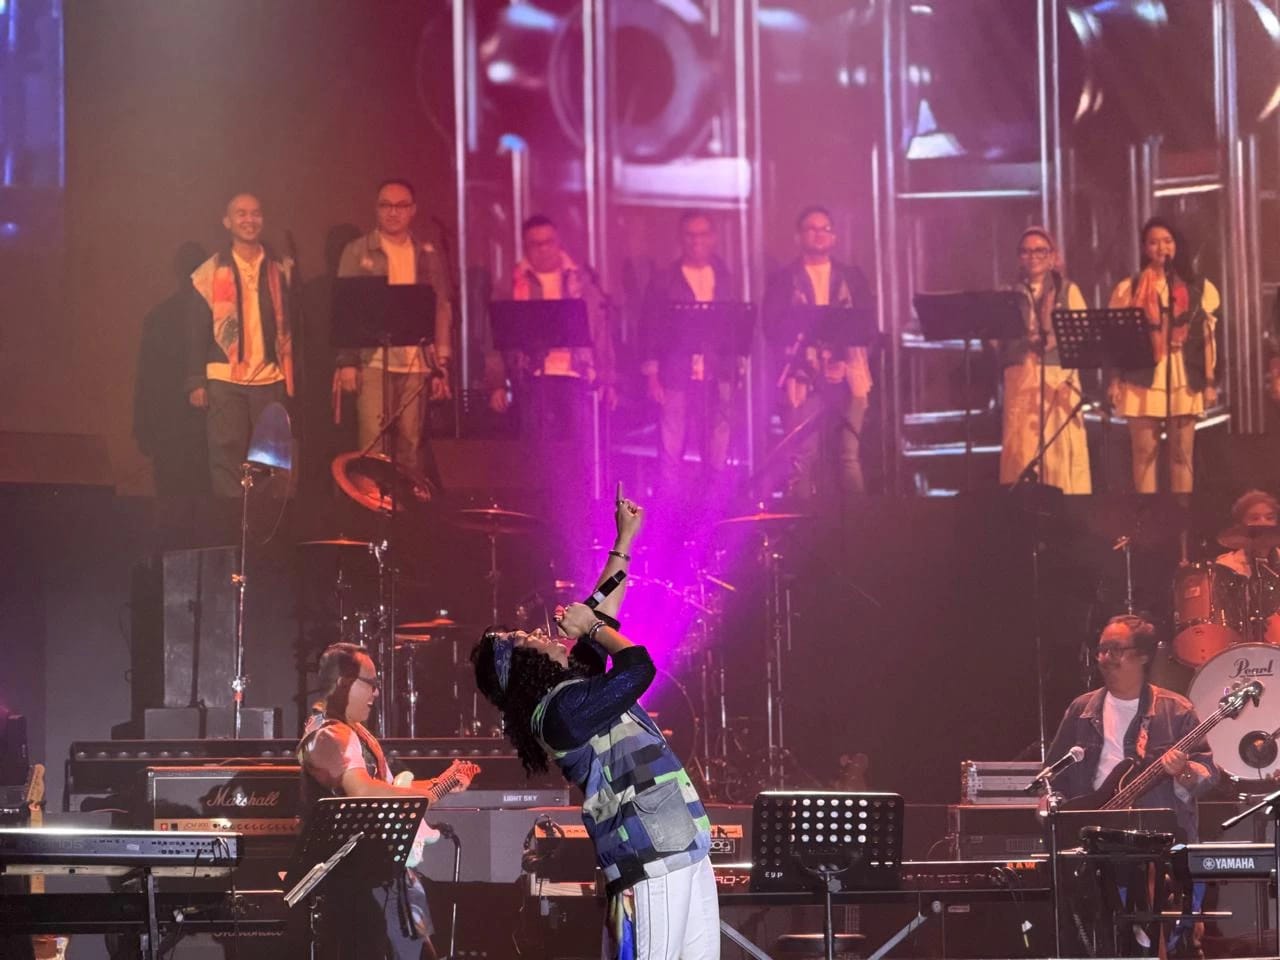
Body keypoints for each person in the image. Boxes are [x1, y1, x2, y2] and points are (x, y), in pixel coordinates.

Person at [471, 487, 719, 959]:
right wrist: (592, 628)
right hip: (649, 852)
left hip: (679, 840)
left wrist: (623, 539)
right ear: (524, 667)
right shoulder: (560, 714)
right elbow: (637, 667)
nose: (539, 632)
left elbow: (602, 609)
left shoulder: (573, 688)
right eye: (526, 638)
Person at [297, 642, 478, 960]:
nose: (376, 692)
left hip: (385, 878)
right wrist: (420, 796)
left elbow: (389, 790)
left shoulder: (356, 733)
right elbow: (362, 790)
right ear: (344, 682)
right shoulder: (327, 734)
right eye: (371, 683)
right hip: (359, 884)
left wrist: (443, 783)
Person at [334, 179, 453, 483]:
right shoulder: (357, 250)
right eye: (386, 205)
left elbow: (441, 307)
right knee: (372, 442)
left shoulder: (427, 253)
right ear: (376, 209)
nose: (393, 212)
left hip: (416, 361)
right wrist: (347, 361)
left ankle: (406, 509)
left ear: (413, 210)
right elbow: (346, 308)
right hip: (372, 360)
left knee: (411, 445)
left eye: (401, 206)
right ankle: (372, 507)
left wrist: (441, 363)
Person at [186, 193, 296, 496]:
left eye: (256, 213)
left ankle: (263, 522)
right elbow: (196, 332)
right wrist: (196, 381)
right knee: (226, 456)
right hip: (225, 377)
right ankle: (230, 520)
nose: (249, 220)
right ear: (227, 221)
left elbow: (295, 325)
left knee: (270, 459)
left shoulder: (281, 268)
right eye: (241, 213)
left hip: (270, 376)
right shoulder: (209, 272)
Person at [763, 205, 874, 498]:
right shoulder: (783, 279)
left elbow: (867, 325)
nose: (819, 234)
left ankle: (858, 520)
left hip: (848, 373)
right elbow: (772, 328)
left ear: (834, 237)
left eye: (825, 228)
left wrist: (841, 362)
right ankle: (801, 520)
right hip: (802, 377)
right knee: (802, 458)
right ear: (798, 237)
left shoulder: (852, 276)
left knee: (849, 456)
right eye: (812, 229)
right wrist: (811, 362)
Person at [1107, 217, 1221, 494]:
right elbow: (1118, 340)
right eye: (1154, 242)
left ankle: (1181, 517)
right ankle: (1148, 516)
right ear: (1145, 248)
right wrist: (1114, 380)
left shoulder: (1197, 286)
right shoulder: (1130, 287)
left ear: (1176, 245)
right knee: (1144, 453)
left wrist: (1208, 382)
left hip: (1183, 372)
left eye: (1167, 241)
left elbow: (1207, 339)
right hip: (1142, 372)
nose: (1161, 248)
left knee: (1182, 455)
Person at [488, 214, 616, 440]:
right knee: (537, 448)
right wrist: (496, 382)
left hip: (577, 377)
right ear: (525, 246)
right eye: (535, 244)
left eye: (548, 242)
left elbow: (600, 332)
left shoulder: (581, 282)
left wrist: (607, 380)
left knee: (578, 447)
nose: (543, 249)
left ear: (558, 242)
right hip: (530, 378)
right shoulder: (512, 284)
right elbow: (495, 337)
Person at [642, 210, 741, 497]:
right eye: (690, 234)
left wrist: (736, 369)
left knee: (717, 442)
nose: (697, 240)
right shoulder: (664, 280)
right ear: (681, 238)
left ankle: (712, 503)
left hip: (718, 371)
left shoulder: (726, 278)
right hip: (676, 371)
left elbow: (736, 327)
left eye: (703, 234)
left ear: (713, 238)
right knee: (672, 444)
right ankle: (670, 505)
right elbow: (649, 329)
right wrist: (652, 375)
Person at [997, 227, 1091, 493]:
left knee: (1060, 450)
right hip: (1021, 377)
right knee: (1021, 449)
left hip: (1057, 378)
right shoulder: (1009, 293)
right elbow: (997, 341)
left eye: (1040, 250)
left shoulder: (1068, 290)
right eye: (1026, 251)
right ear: (1019, 258)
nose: (1033, 256)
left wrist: (1051, 335)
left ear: (1052, 256)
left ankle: (1066, 508)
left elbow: (1081, 334)